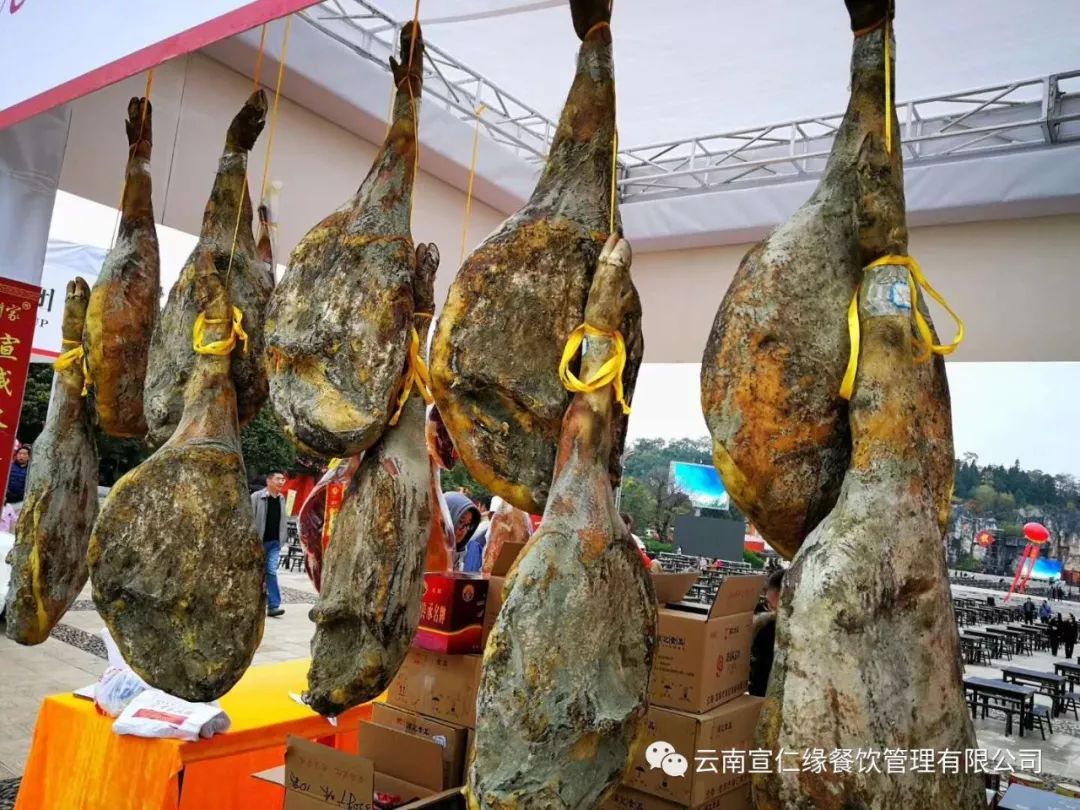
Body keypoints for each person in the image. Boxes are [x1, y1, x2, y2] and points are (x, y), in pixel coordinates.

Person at [251, 471, 289, 618]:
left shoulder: (281, 499)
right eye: (278, 479)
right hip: (258, 543)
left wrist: (282, 539)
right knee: (256, 574)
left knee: (271, 571)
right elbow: (250, 518)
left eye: (283, 479)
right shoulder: (256, 497)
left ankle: (273, 605)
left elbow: (282, 520)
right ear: (269, 481)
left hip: (274, 543)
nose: (281, 482)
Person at [749, 569, 784, 697]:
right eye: (770, 606)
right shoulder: (766, 625)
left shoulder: (769, 629)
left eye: (776, 607)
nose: (772, 611)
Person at [445, 492, 481, 570]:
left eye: (468, 524)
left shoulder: (459, 557)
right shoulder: (423, 558)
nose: (464, 531)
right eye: (461, 522)